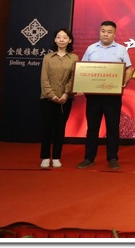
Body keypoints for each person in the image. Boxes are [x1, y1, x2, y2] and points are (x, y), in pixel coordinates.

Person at [76, 21, 133, 170]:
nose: (105, 34)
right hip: (93, 96)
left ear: (114, 34)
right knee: (92, 128)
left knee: (112, 128)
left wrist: (124, 82)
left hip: (112, 96)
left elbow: (129, 68)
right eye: (103, 31)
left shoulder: (121, 49)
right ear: (99, 32)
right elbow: (83, 68)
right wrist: (81, 86)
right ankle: (89, 158)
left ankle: (112, 158)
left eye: (109, 32)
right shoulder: (91, 48)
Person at [39, 28, 79, 168]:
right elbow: (44, 79)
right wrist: (52, 95)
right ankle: (45, 156)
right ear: (55, 40)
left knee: (60, 129)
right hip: (48, 99)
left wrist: (66, 94)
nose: (61, 40)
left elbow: (73, 78)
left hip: (65, 99)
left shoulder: (74, 58)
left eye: (65, 37)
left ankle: (56, 157)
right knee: (47, 128)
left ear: (70, 40)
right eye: (59, 37)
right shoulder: (47, 58)